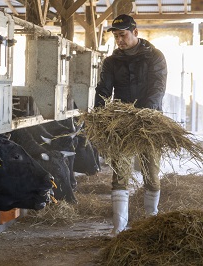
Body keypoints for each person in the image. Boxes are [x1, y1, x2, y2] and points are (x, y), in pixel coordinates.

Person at [94, 14, 168, 235]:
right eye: (116, 36)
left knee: (151, 174)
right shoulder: (111, 62)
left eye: (123, 35)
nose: (119, 40)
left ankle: (150, 222)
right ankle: (119, 229)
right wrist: (99, 113)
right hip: (122, 123)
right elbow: (104, 90)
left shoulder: (155, 57)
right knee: (120, 174)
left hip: (150, 120)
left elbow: (158, 87)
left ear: (135, 32)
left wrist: (144, 113)